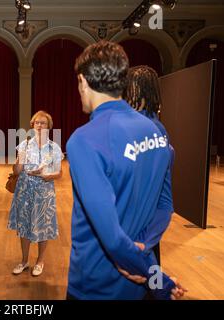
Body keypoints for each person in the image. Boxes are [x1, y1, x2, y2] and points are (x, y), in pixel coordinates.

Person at [66, 40, 186, 300]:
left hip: (95, 284)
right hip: (138, 283)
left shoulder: (84, 140)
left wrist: (161, 281)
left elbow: (111, 237)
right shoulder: (155, 131)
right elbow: (165, 207)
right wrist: (148, 260)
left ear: (83, 81)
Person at [124, 65, 176, 265]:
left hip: (140, 228)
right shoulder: (137, 124)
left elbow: (164, 198)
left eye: (131, 87)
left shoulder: (152, 128)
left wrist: (146, 242)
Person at [8, 110, 63, 277]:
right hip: (24, 192)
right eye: (37, 123)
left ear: (49, 127)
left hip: (44, 193)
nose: (39, 126)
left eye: (43, 123)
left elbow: (59, 173)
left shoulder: (54, 147)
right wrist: (20, 161)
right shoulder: (24, 144)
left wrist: (47, 175)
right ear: (32, 125)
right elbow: (16, 171)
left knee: (43, 227)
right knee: (24, 227)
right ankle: (24, 261)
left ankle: (40, 261)